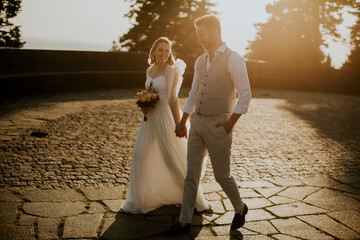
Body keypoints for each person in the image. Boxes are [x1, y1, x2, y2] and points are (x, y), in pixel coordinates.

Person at [164, 15, 251, 235]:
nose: (200, 39)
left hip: (219, 124)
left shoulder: (234, 59)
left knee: (222, 176)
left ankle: (240, 208)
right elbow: (194, 92)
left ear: (215, 31)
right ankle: (184, 222)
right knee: (190, 175)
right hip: (197, 123)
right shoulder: (200, 60)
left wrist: (230, 123)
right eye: (197, 35)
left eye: (202, 34)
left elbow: (246, 95)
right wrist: (184, 120)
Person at [121, 37, 210, 214]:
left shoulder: (171, 71)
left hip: (165, 119)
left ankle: (192, 198)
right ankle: (138, 200)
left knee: (172, 159)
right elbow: (148, 92)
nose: (164, 53)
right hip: (148, 120)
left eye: (167, 50)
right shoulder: (149, 70)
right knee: (140, 154)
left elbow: (172, 100)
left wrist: (179, 124)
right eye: (160, 50)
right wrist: (144, 105)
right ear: (153, 51)